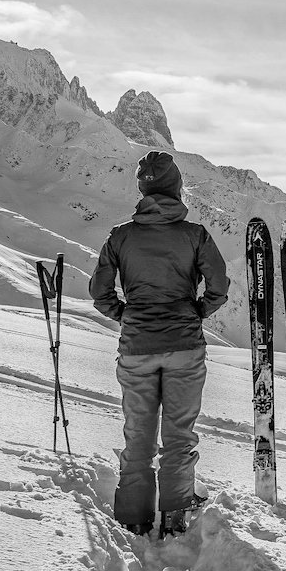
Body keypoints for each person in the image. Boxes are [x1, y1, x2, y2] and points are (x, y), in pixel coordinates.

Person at [89, 150, 231, 537]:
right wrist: (198, 310)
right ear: (176, 188)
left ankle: (133, 516)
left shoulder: (120, 237)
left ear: (143, 188)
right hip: (185, 346)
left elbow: (99, 293)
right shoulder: (194, 235)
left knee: (138, 434)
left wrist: (126, 316)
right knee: (179, 435)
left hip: (137, 348)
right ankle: (175, 514)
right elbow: (219, 285)